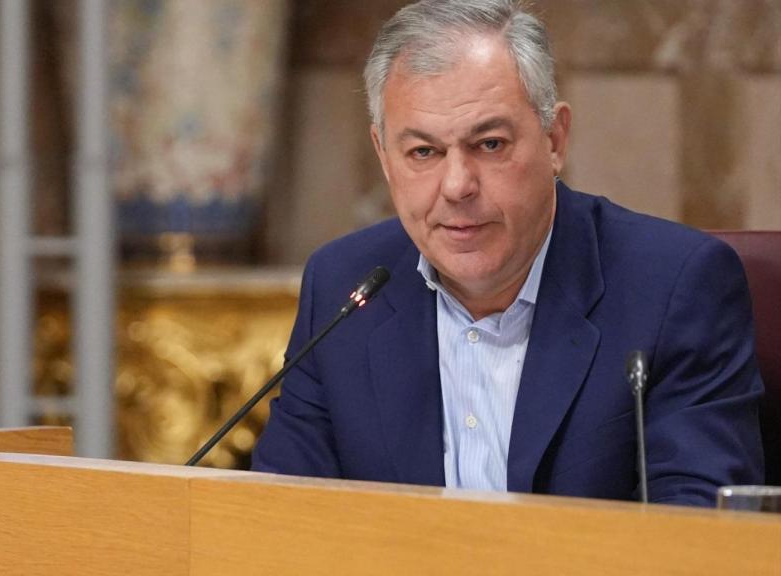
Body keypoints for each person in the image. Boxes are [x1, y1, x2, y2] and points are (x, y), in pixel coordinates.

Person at [251, 0, 764, 506]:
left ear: (554, 139)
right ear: (385, 157)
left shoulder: (673, 286)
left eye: (490, 144)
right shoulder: (342, 286)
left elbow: (700, 534)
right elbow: (282, 516)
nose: (456, 186)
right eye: (423, 152)